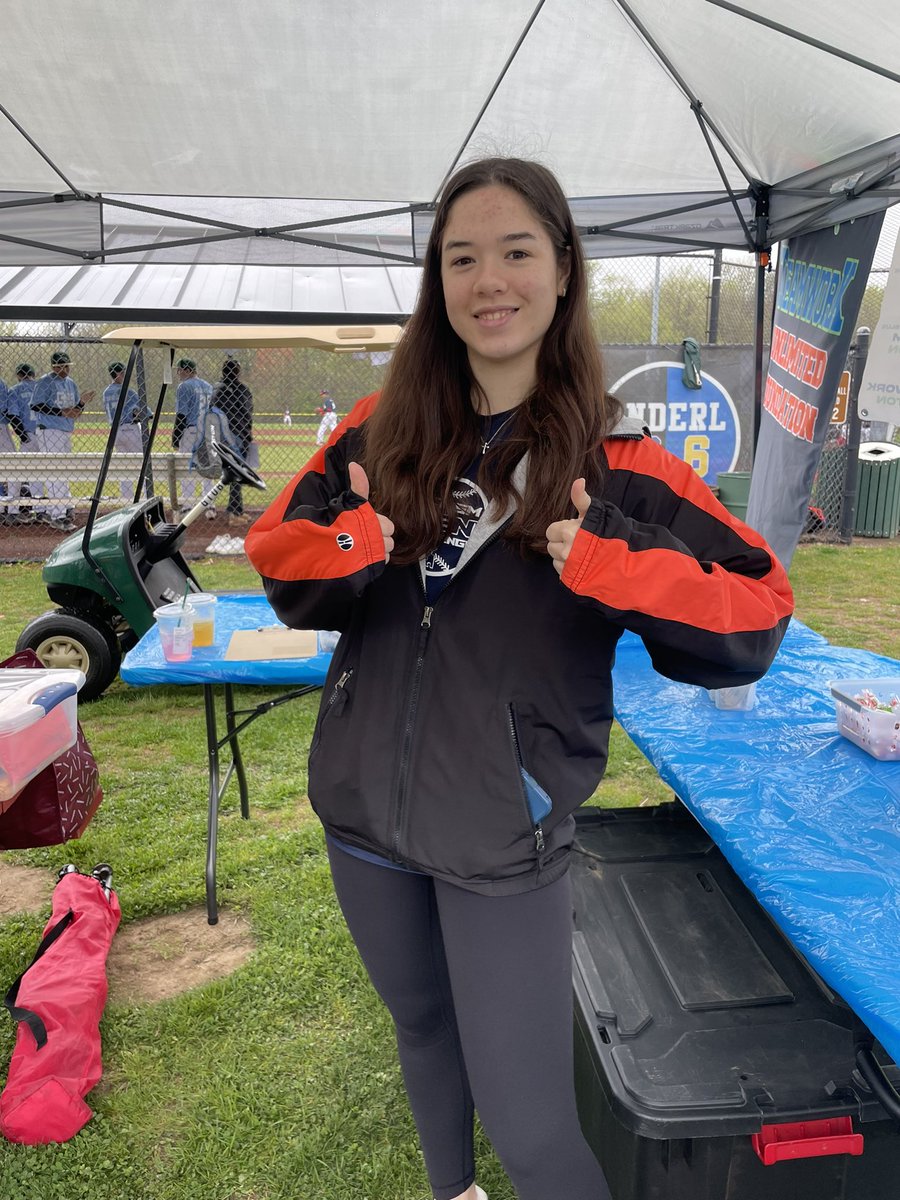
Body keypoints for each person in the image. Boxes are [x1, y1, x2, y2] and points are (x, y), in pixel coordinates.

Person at [245, 157, 794, 1200]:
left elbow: (757, 606)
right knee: (421, 1029)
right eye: (462, 258)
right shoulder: (381, 430)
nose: (488, 280)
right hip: (364, 814)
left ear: (562, 269)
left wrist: (606, 552)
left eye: (514, 252)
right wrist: (362, 535)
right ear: (437, 283)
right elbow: (278, 553)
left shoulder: (620, 459)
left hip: (505, 830)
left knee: (535, 1129)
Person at [30, 350, 94, 531]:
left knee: (63, 469)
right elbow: (36, 405)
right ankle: (57, 515)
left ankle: (64, 508)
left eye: (66, 366)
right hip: (49, 429)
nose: (64, 369)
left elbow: (74, 412)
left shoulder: (71, 384)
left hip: (65, 430)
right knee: (54, 471)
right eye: (60, 366)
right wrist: (61, 412)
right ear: (53, 366)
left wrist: (81, 403)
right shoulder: (45, 381)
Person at [211, 358, 254, 525]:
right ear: (237, 372)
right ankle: (234, 514)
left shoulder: (217, 389)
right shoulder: (242, 390)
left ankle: (236, 509)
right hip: (237, 434)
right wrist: (247, 433)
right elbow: (247, 413)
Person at [173, 357, 213, 515]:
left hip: (191, 430)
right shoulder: (208, 386)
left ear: (188, 370)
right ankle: (209, 505)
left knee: (186, 466)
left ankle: (188, 505)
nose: (178, 373)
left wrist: (176, 436)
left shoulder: (184, 386)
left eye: (180, 370)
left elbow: (181, 415)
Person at [103, 362, 149, 499]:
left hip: (115, 432)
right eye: (123, 372)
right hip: (130, 429)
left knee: (125, 468)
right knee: (143, 464)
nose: (125, 375)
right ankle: (148, 496)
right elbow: (144, 412)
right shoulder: (129, 391)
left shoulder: (106, 392)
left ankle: (127, 499)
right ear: (118, 374)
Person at [1, 365, 39, 523]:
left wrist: (22, 435)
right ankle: (43, 510)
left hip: (27, 435)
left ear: (18, 375)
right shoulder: (41, 386)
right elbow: (5, 411)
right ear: (32, 374)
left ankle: (12, 510)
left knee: (15, 470)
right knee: (19, 469)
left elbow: (12, 413)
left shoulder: (15, 390)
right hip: (43, 432)